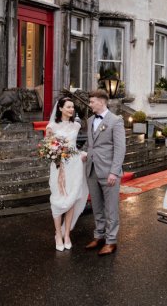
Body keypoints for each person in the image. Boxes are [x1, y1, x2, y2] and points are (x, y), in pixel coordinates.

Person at [83, 89, 126, 256]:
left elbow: (120, 148)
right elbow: (91, 144)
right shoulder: (90, 120)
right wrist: (85, 154)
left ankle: (111, 240)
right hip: (92, 170)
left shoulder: (116, 121)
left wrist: (114, 172)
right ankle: (99, 236)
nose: (90, 104)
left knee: (111, 208)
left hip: (109, 171)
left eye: (92, 101)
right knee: (97, 207)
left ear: (102, 102)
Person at [46, 97, 88, 252]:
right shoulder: (51, 126)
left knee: (72, 198)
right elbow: (47, 148)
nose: (72, 110)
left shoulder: (76, 125)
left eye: (72, 107)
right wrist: (55, 155)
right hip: (58, 167)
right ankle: (58, 234)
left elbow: (74, 148)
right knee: (58, 199)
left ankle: (67, 234)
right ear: (61, 109)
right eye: (69, 107)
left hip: (74, 166)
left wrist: (81, 154)